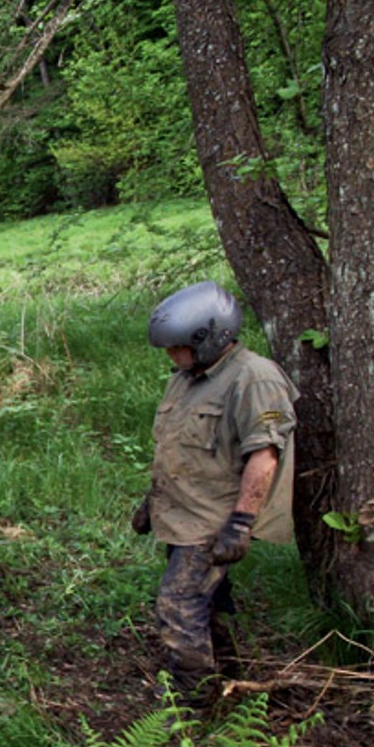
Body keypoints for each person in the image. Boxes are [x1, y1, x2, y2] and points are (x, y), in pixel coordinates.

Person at [132, 281, 298, 699]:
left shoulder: (254, 378)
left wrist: (241, 523)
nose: (171, 356)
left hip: (212, 520)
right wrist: (152, 502)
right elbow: (180, 447)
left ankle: (194, 697)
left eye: (177, 347)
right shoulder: (188, 379)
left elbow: (264, 455)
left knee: (178, 604)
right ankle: (227, 676)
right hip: (183, 513)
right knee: (207, 604)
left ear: (209, 337)